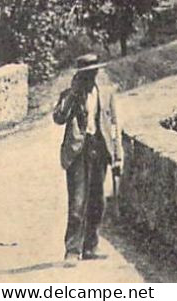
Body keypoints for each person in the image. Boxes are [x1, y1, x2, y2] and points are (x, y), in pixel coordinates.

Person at [51, 53, 121, 262]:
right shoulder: (71, 95)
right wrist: (72, 95)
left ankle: (91, 246)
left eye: (93, 72)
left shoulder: (106, 94)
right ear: (80, 75)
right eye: (86, 74)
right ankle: (72, 250)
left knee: (97, 200)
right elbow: (58, 118)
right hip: (77, 152)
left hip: (99, 149)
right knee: (78, 201)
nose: (90, 77)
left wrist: (116, 154)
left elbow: (114, 125)